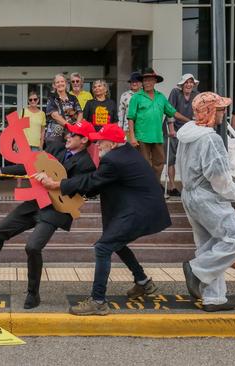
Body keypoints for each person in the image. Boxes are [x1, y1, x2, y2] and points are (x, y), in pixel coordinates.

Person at [0, 121, 96, 309]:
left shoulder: (87, 164)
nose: (67, 136)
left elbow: (86, 189)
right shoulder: (56, 149)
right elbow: (30, 165)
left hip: (56, 210)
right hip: (36, 202)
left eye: (72, 135)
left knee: (33, 247)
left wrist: (57, 182)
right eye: (67, 133)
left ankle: (33, 294)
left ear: (84, 140)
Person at [36, 123, 171, 316]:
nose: (96, 144)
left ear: (113, 144)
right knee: (115, 243)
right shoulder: (124, 153)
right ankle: (143, 282)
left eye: (101, 141)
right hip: (142, 207)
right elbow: (98, 182)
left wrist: (57, 184)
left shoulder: (114, 160)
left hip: (139, 211)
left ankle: (98, 301)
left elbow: (92, 181)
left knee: (103, 247)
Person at [177, 92, 235, 312]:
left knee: (209, 246)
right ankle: (197, 269)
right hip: (208, 197)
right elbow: (219, 177)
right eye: (220, 109)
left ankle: (214, 298)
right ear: (210, 111)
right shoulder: (210, 138)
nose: (223, 113)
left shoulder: (187, 135)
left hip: (190, 194)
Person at [127, 68, 190, 181]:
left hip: (157, 136)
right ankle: (145, 188)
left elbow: (173, 113)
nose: (147, 83)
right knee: (144, 164)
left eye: (150, 80)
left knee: (159, 163)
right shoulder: (136, 97)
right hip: (141, 137)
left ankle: (154, 185)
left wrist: (190, 121)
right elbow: (131, 118)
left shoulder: (161, 97)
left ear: (155, 81)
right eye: (145, 80)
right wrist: (132, 136)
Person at [165, 74, 200, 196]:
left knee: (187, 158)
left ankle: (188, 185)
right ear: (182, 84)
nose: (189, 85)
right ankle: (172, 186)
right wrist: (171, 129)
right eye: (186, 82)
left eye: (191, 82)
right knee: (171, 158)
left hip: (188, 129)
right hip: (174, 128)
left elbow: (197, 112)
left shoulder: (196, 95)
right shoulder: (175, 92)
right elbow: (169, 111)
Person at [45, 74, 83, 149]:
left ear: (66, 83)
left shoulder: (73, 98)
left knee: (69, 157)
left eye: (62, 81)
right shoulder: (51, 98)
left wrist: (76, 127)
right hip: (55, 136)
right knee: (54, 159)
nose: (60, 84)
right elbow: (54, 115)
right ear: (54, 85)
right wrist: (69, 126)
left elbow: (80, 113)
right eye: (57, 82)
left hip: (70, 136)